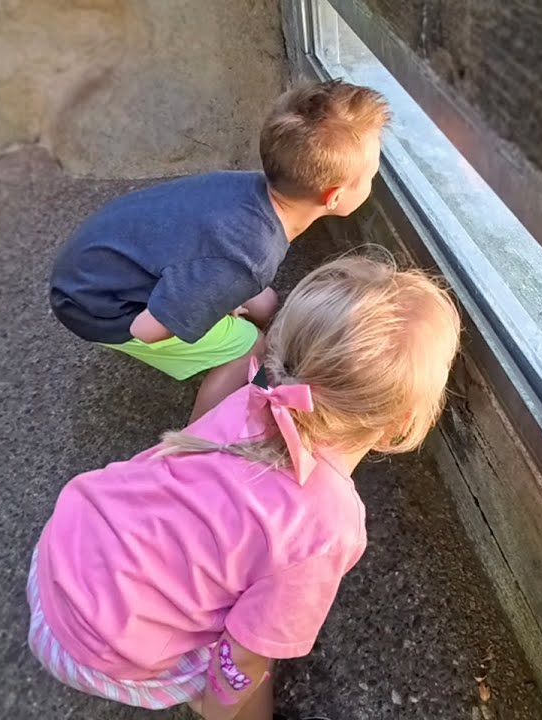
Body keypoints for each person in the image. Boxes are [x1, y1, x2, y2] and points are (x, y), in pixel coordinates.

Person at [26, 252, 461, 720]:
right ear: (404, 424)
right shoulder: (327, 525)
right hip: (99, 645)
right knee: (251, 668)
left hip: (61, 554)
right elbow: (246, 654)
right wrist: (222, 707)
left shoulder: (253, 399)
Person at [47, 80, 392, 422]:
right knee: (252, 346)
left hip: (93, 260)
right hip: (97, 307)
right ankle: (198, 443)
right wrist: (207, 310)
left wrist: (219, 298)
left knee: (266, 303)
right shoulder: (250, 258)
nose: (372, 180)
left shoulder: (246, 188)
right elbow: (147, 330)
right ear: (333, 196)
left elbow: (211, 253)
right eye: (370, 176)